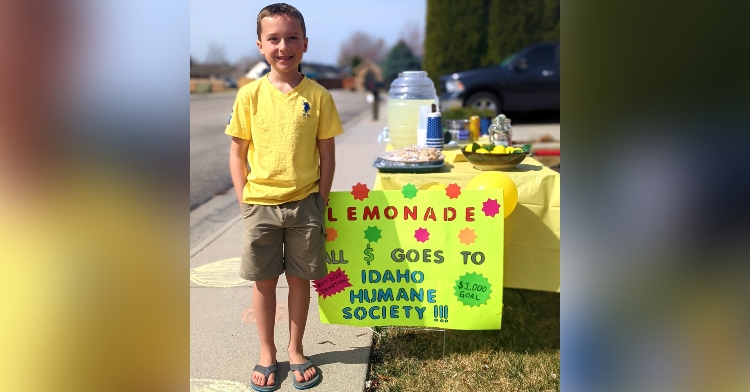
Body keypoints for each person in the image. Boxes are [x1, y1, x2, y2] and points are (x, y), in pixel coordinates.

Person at [226, 3, 342, 391]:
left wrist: (320, 201)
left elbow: (327, 153)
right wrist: (245, 201)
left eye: (292, 37)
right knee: (263, 282)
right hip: (260, 205)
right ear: (260, 45)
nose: (283, 46)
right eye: (273, 38)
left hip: (304, 204)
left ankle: (295, 349)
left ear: (305, 44)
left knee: (298, 281)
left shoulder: (320, 96)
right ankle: (266, 351)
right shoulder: (249, 96)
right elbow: (238, 152)